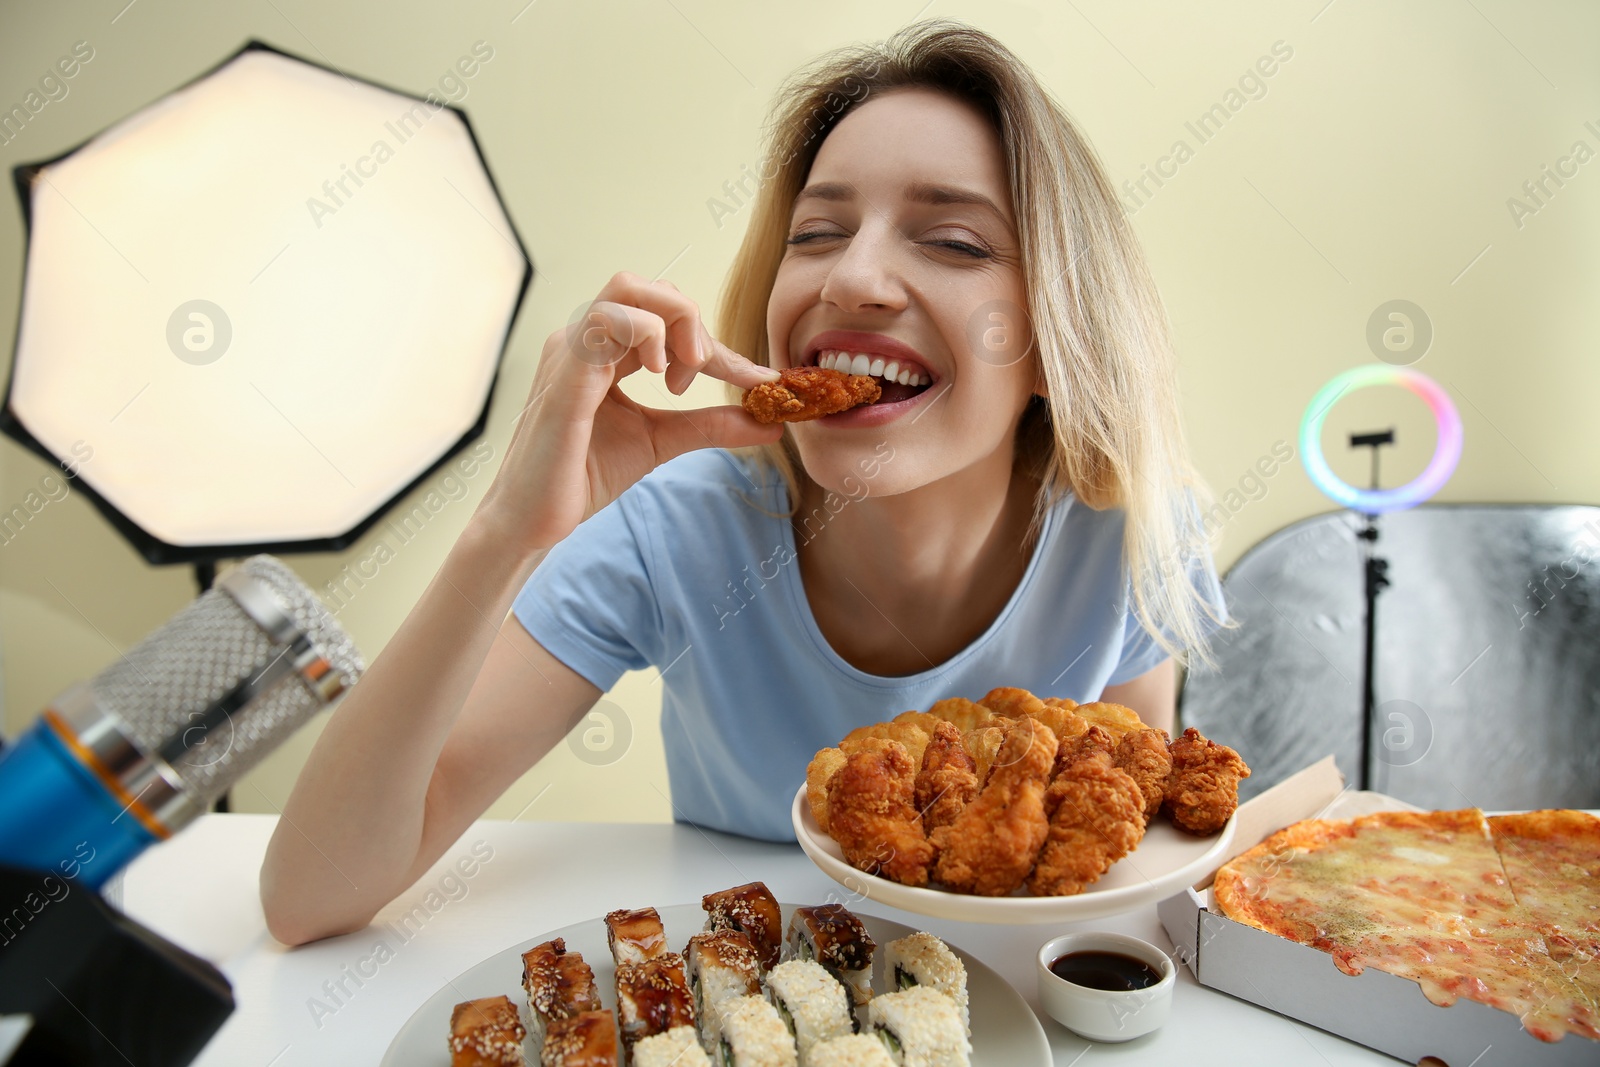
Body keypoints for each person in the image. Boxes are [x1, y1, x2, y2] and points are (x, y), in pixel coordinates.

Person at [260, 18, 1226, 946]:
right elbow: (312, 893)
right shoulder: (673, 524)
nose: (852, 277)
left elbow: (1128, 870)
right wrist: (506, 531)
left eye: (955, 241)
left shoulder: (1132, 529)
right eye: (816, 232)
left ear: (1061, 338)